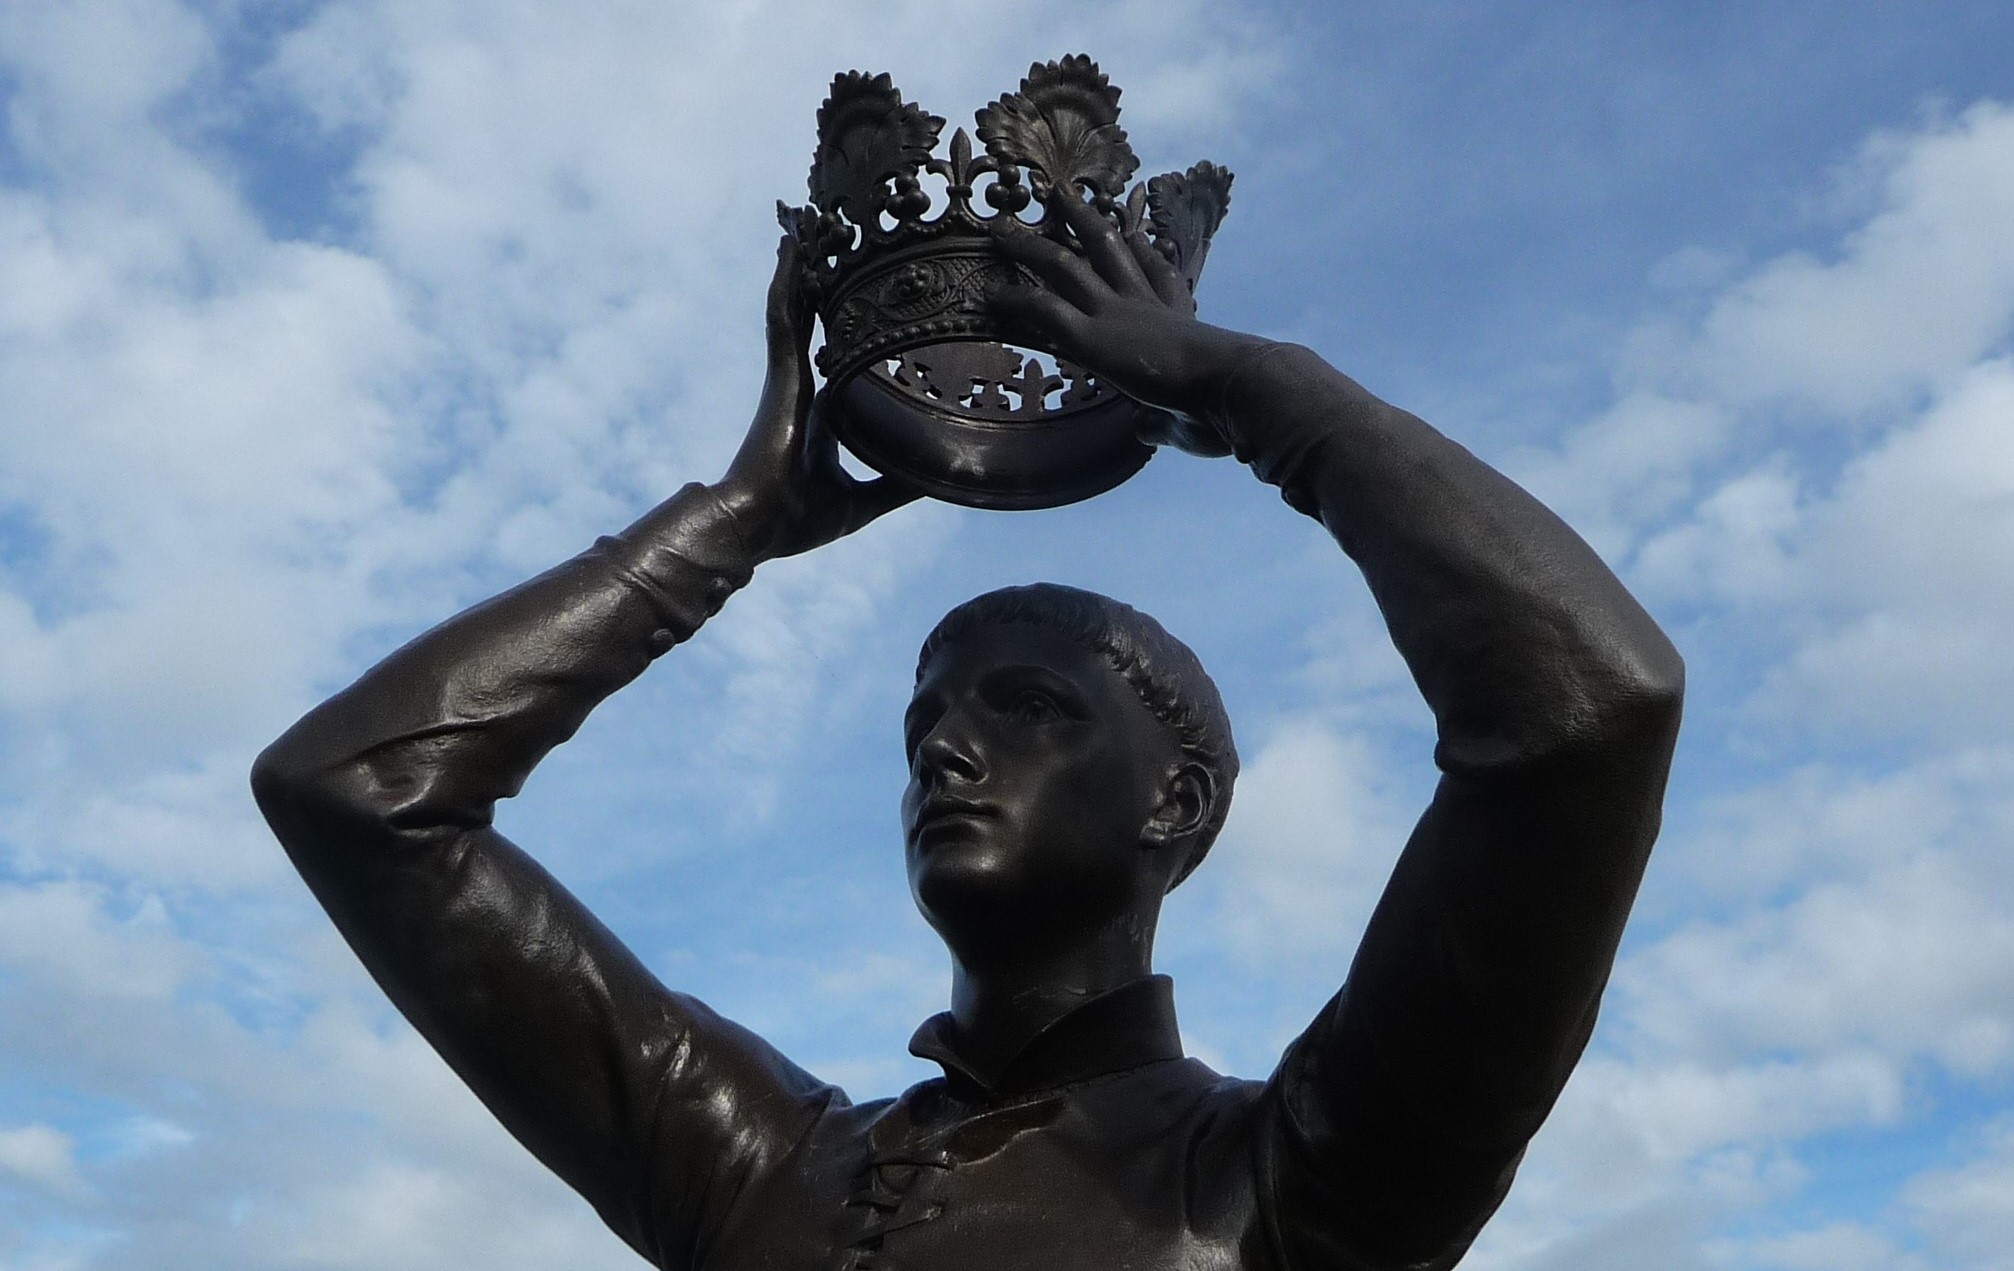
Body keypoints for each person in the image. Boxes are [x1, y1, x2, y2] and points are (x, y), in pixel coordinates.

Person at [252, 188, 1683, 1271]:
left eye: (1032, 710)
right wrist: (720, 531)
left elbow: (1585, 713)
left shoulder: (1286, 1172)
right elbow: (360, 794)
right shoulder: (757, 1160)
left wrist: (1258, 394)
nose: (943, 749)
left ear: (1174, 804)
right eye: (923, 719)